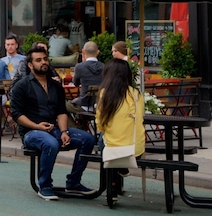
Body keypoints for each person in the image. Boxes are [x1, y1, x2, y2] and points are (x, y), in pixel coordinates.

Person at [9, 46, 96, 200]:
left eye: (45, 59)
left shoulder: (56, 86)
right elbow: (16, 115)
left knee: (87, 139)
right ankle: (45, 186)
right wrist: (37, 126)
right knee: (50, 143)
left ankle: (74, 182)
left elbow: (61, 111)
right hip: (31, 132)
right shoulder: (22, 86)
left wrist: (64, 132)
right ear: (30, 65)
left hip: (54, 129)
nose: (43, 62)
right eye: (38, 60)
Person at [96, 59, 145, 199]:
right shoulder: (136, 94)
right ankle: (118, 173)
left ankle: (111, 186)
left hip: (113, 149)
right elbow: (140, 117)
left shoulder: (104, 93)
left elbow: (100, 123)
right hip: (136, 149)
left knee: (102, 139)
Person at [70, 41, 103, 109]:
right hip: (100, 103)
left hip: (84, 104)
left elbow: (75, 83)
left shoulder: (80, 67)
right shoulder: (104, 66)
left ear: (83, 51)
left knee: (65, 106)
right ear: (97, 52)